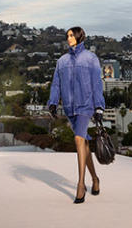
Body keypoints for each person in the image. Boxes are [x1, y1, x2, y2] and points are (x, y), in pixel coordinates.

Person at [48, 26, 105, 204]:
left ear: (80, 36)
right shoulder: (62, 61)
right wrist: (53, 102)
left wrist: (99, 107)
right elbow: (56, 84)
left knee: (79, 140)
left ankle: (81, 185)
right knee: (84, 143)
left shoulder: (90, 58)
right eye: (67, 36)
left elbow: (97, 83)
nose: (69, 38)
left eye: (72, 35)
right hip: (70, 107)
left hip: (86, 105)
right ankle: (95, 179)